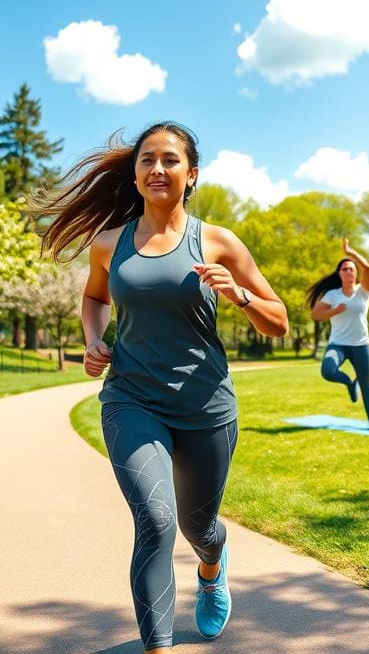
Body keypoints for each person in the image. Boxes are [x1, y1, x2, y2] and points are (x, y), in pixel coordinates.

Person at [35, 122, 288, 652]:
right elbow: (94, 299)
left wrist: (238, 294)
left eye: (170, 160)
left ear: (190, 175)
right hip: (132, 399)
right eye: (147, 159)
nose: (157, 168)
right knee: (155, 518)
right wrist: (93, 340)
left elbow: (279, 321)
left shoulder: (218, 242)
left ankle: (212, 568)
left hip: (205, 406)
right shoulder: (109, 245)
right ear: (134, 174)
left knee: (201, 528)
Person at [307, 239, 369, 431]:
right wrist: (335, 310)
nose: (349, 271)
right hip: (338, 344)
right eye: (344, 269)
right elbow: (315, 314)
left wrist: (350, 253)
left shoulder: (363, 291)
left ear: (355, 273)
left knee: (365, 382)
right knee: (328, 371)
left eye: (351, 269)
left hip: (361, 344)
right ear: (339, 274)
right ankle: (349, 383)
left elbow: (367, 266)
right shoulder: (332, 295)